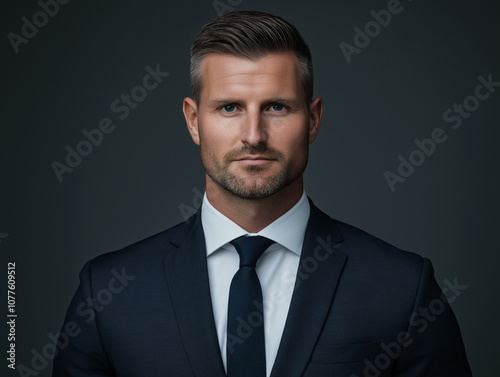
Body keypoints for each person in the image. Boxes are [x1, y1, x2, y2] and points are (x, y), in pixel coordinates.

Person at [52, 10, 472, 377]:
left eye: (277, 107)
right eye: (230, 108)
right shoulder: (107, 291)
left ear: (313, 119)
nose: (254, 136)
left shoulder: (402, 288)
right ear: (194, 121)